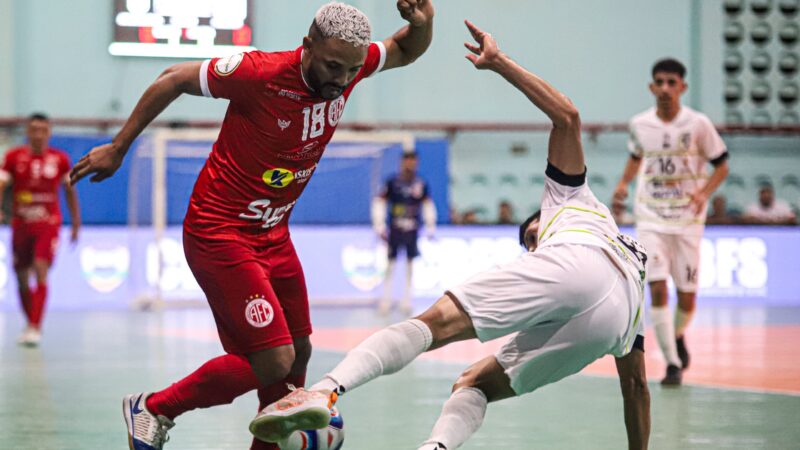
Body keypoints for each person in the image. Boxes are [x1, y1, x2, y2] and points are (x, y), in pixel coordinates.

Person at [252, 21, 650, 450]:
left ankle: (326, 388)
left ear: (540, 220)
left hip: (578, 263)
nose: (532, 248)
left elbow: (568, 116)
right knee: (474, 383)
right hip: (616, 321)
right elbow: (637, 389)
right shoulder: (627, 259)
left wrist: (499, 64)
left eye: (531, 240)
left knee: (433, 325)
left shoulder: (570, 198)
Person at [68, 2, 434, 449]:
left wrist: (422, 23)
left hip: (273, 235)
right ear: (308, 46)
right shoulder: (258, 72)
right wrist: (120, 146)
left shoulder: (350, 68)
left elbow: (405, 49)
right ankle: (156, 407)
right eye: (333, 66)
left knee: (299, 352)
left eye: (351, 70)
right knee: (273, 361)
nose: (341, 79)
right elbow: (172, 78)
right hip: (219, 232)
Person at [613, 57, 729, 385]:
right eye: (659, 82)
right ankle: (672, 364)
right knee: (658, 287)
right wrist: (623, 184)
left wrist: (703, 193)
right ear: (652, 87)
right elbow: (636, 157)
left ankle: (675, 336)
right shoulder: (640, 124)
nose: (665, 88)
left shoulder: (698, 125)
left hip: (688, 219)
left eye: (671, 83)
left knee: (688, 296)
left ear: (682, 87)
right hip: (650, 215)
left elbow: (722, 165)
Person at [0, 113, 80, 347]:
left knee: (40, 267)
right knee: (21, 277)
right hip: (21, 224)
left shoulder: (60, 159)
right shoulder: (13, 157)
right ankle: (30, 322)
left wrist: (75, 223)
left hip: (48, 223)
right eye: (33, 129)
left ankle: (35, 327)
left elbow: (69, 191)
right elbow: (2, 183)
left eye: (42, 129)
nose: (37, 134)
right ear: (27, 131)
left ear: (49, 132)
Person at [371, 151, 436, 316]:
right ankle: (386, 299)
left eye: (413, 161)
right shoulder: (393, 182)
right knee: (390, 264)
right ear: (402, 162)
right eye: (407, 161)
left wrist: (430, 224)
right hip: (395, 228)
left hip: (412, 229)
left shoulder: (420, 183)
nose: (410, 164)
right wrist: (379, 224)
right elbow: (380, 201)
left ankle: (407, 299)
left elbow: (427, 204)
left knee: (410, 264)